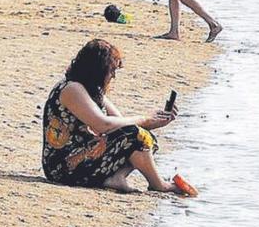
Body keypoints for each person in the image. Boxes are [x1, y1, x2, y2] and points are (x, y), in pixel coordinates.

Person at [41, 39, 188, 194]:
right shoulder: (72, 88)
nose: (113, 76)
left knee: (145, 137)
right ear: (97, 69)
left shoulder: (92, 90)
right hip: (63, 167)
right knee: (138, 136)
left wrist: (156, 121)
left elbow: (120, 125)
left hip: (83, 155)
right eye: (111, 71)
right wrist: (144, 118)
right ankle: (159, 184)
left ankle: (117, 177)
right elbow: (103, 125)